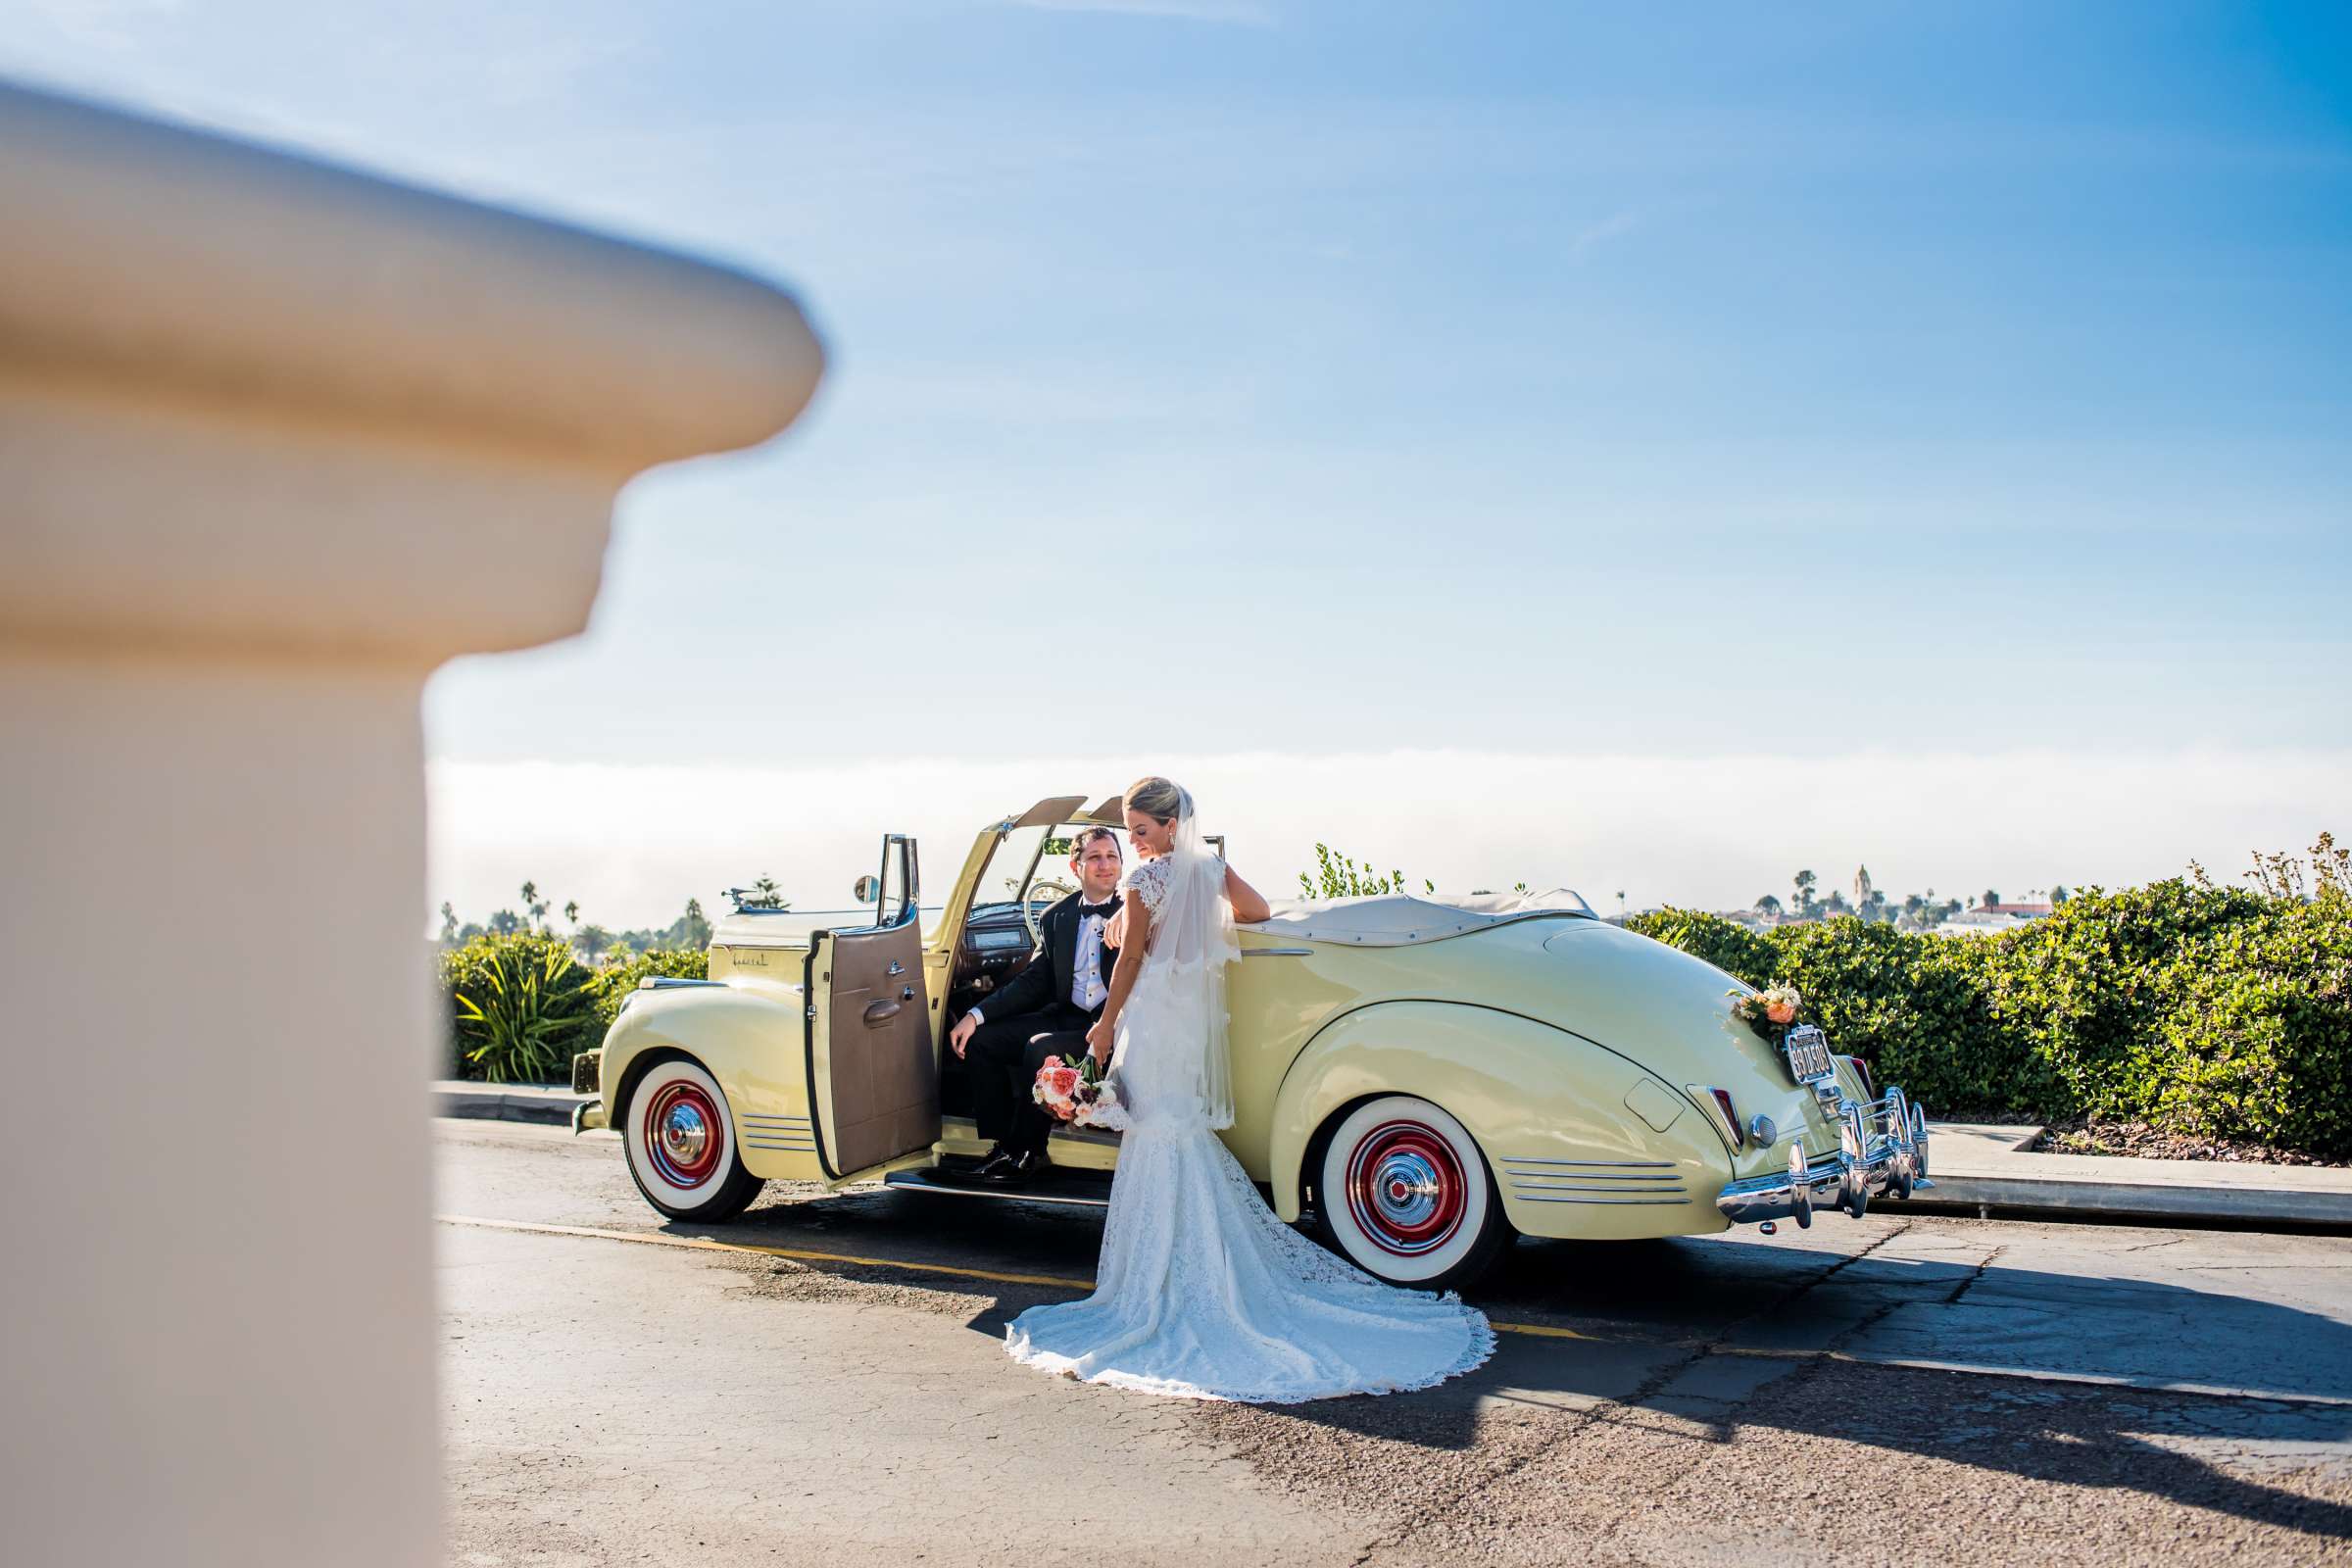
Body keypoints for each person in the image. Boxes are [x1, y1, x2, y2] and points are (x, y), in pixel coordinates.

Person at [1004, 775, 1494, 1403]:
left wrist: (1103, 1026)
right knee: (1176, 1128)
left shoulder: (1143, 879)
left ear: (1168, 825)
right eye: (1131, 832)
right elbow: (1257, 913)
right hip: (1191, 1020)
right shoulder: (1207, 867)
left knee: (1154, 1130)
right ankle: (1206, 1268)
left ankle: (1153, 1283)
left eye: (1141, 830)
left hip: (1154, 1014)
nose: (1135, 841)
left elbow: (1129, 963)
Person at [943, 825, 1125, 1189]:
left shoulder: (1133, 912)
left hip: (1111, 1024)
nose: (1105, 866)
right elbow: (1034, 981)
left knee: (1040, 1047)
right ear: (1076, 867)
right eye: (1095, 858)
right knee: (983, 1041)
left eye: (1112, 857)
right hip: (1065, 1016)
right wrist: (974, 1015)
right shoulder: (1056, 916)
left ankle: (1029, 1151)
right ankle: (1002, 1145)